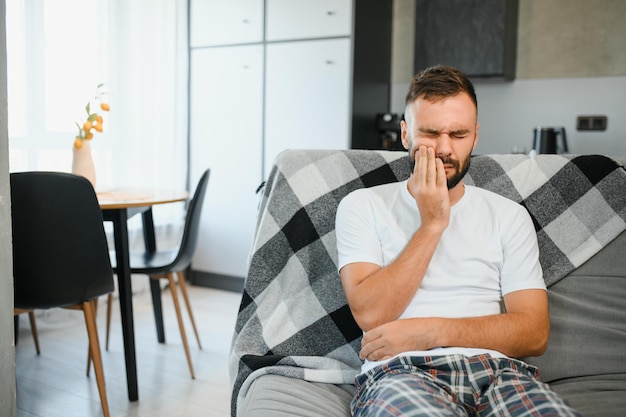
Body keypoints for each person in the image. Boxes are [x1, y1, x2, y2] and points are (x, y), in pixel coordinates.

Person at [335, 65, 581, 417]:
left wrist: (430, 331)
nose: (444, 149)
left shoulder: (508, 215)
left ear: (476, 136)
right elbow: (371, 314)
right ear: (405, 134)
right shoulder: (363, 206)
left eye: (459, 134)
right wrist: (432, 224)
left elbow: (534, 333)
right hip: (402, 374)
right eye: (430, 133)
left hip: (502, 374)